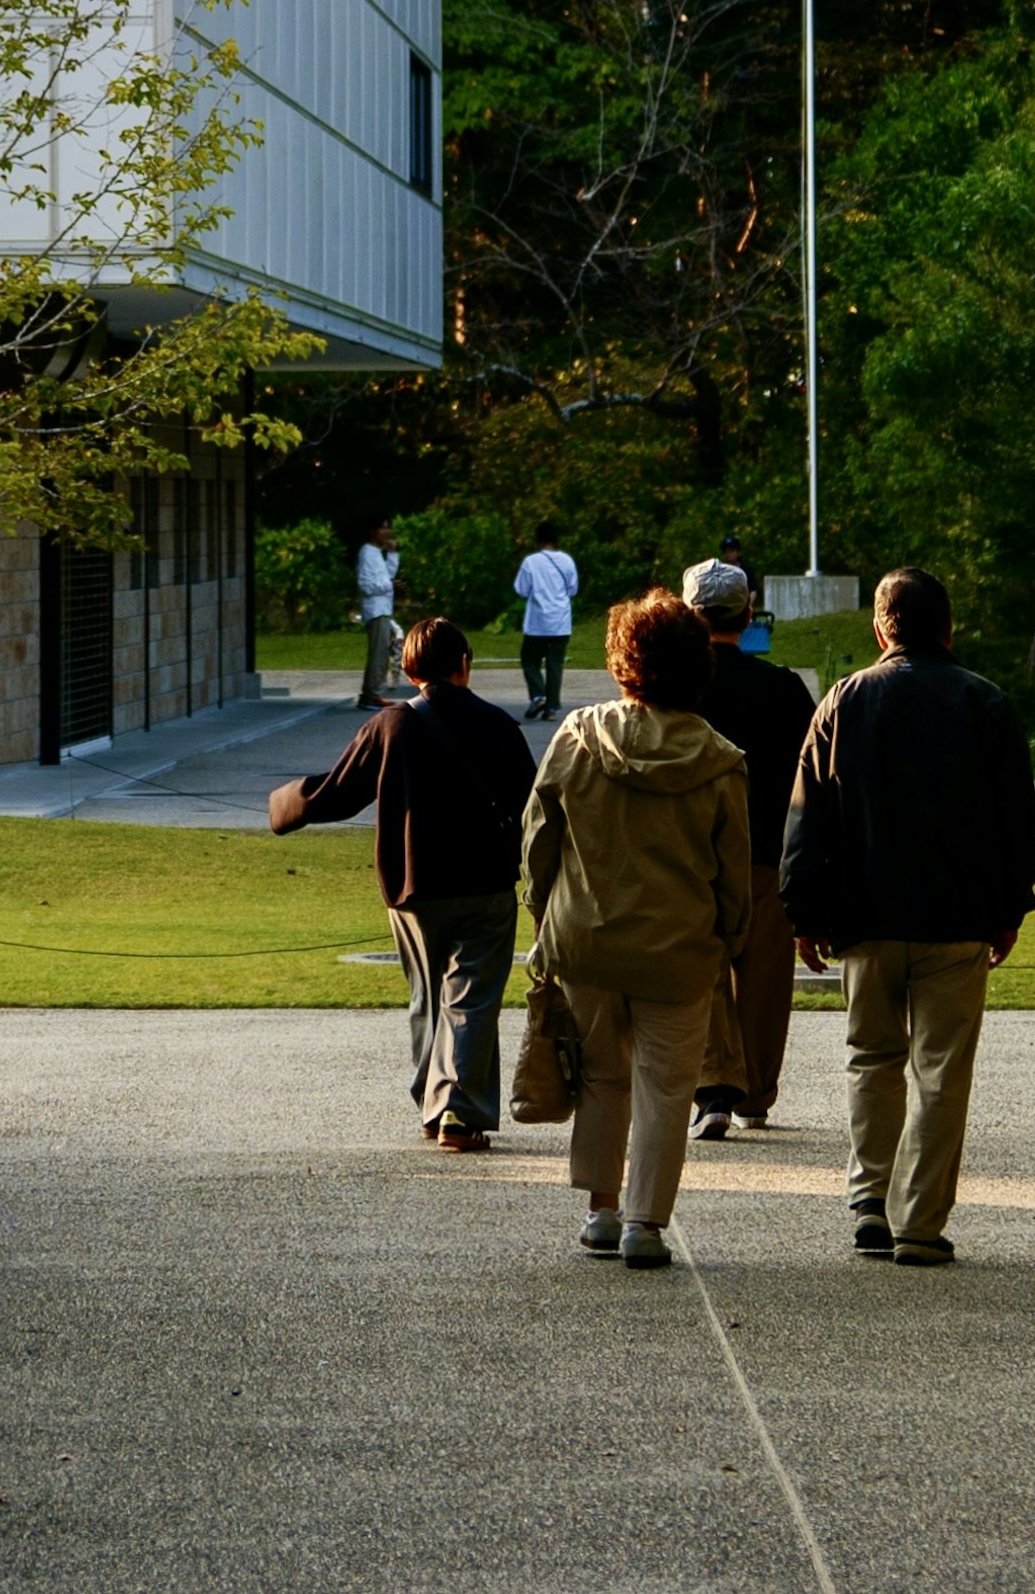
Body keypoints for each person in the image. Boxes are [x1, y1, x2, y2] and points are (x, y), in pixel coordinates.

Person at [777, 566, 1035, 1266]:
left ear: (881, 627)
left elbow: (808, 820)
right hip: (956, 916)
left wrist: (804, 910)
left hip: (864, 916)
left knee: (872, 1057)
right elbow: (1018, 821)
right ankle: (919, 1220)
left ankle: (869, 1196)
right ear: (948, 627)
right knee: (941, 1070)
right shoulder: (986, 702)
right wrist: (1010, 907)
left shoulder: (844, 700)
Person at [520, 588, 750, 1275]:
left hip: (587, 937)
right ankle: (646, 1220)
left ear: (624, 659)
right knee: (667, 1085)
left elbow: (539, 837)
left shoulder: (578, 735)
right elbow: (732, 871)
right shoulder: (719, 759)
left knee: (601, 1076)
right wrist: (729, 938)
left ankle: (601, 1208)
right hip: (677, 947)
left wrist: (542, 908)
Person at [270, 618, 539, 1146]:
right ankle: (457, 1109)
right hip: (485, 884)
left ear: (411, 667)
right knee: (473, 997)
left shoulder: (390, 726)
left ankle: (433, 1103)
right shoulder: (498, 725)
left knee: (427, 997)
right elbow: (532, 806)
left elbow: (337, 794)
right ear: (464, 664)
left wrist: (284, 805)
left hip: (413, 887)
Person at [676, 556, 814, 1144]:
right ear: (748, 613)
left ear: (687, 614)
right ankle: (755, 1090)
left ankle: (713, 1088)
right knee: (762, 978)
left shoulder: (677, 691)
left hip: (691, 856)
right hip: (765, 852)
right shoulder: (782, 688)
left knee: (702, 972)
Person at [509, 529, 580, 722]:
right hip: (561, 622)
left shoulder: (531, 562)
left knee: (530, 660)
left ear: (538, 540)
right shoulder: (567, 561)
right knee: (555, 664)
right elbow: (573, 589)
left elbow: (522, 590)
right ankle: (551, 708)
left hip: (537, 623)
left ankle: (538, 695)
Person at [352, 526, 404, 710]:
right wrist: (389, 586)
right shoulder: (367, 553)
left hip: (383, 609)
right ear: (373, 531)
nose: (388, 532)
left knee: (382, 653)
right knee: (377, 654)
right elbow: (366, 585)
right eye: (383, 528)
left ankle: (374, 693)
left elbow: (387, 576)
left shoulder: (376, 553)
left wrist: (392, 554)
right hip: (375, 611)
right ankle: (370, 695)